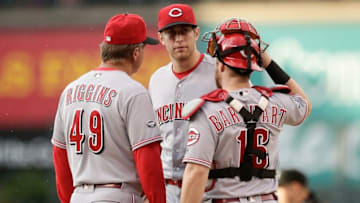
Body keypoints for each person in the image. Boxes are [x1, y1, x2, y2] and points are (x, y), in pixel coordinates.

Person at [180, 18, 312, 203]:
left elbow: (196, 172)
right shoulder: (276, 102)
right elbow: (304, 103)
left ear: (221, 65)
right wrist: (269, 63)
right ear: (255, 66)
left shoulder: (208, 110)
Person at [51, 13, 166, 203]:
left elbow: (60, 158)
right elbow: (148, 162)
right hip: (117, 195)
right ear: (136, 52)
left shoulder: (70, 91)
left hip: (79, 196)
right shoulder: (133, 92)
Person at [148, 3, 218, 202]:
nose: (178, 39)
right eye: (171, 33)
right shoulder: (157, 79)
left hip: (210, 186)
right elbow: (154, 137)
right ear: (161, 38)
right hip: (167, 187)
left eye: (184, 31)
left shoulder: (218, 72)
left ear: (196, 33)